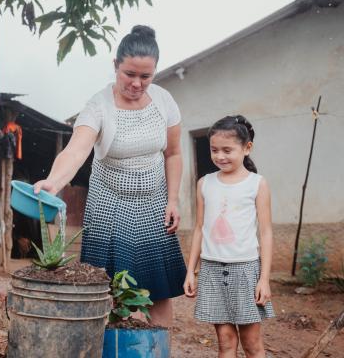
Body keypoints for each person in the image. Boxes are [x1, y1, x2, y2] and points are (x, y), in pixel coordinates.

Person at [34, 25, 187, 326]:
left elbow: (173, 153)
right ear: (115, 65)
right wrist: (54, 182)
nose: (136, 83)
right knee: (110, 288)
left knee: (158, 290)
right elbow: (76, 151)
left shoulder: (164, 101)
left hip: (154, 201)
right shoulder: (99, 106)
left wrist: (172, 199)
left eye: (146, 76)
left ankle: (159, 349)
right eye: (129, 74)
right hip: (109, 203)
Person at [184, 116, 274, 357]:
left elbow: (265, 233)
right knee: (225, 342)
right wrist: (191, 271)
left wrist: (263, 279)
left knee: (251, 342)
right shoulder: (205, 183)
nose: (220, 156)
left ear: (247, 148)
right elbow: (200, 228)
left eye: (227, 150)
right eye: (214, 150)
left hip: (245, 271)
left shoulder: (257, 184)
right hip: (212, 271)